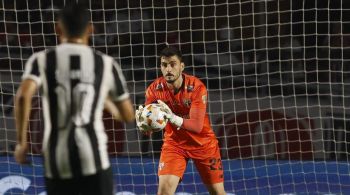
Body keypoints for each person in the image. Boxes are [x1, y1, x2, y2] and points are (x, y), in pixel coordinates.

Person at [13, 3, 135, 195]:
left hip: (57, 159)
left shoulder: (42, 59)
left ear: (58, 28)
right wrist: (104, 100)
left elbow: (22, 96)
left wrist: (21, 143)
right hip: (94, 158)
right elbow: (127, 115)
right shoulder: (105, 63)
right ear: (91, 29)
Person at [136, 47, 226, 195]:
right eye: (164, 65)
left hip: (203, 145)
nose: (168, 69)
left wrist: (172, 117)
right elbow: (150, 124)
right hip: (174, 145)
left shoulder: (197, 87)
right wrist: (145, 126)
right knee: (164, 192)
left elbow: (196, 126)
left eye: (173, 64)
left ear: (182, 66)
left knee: (217, 193)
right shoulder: (154, 89)